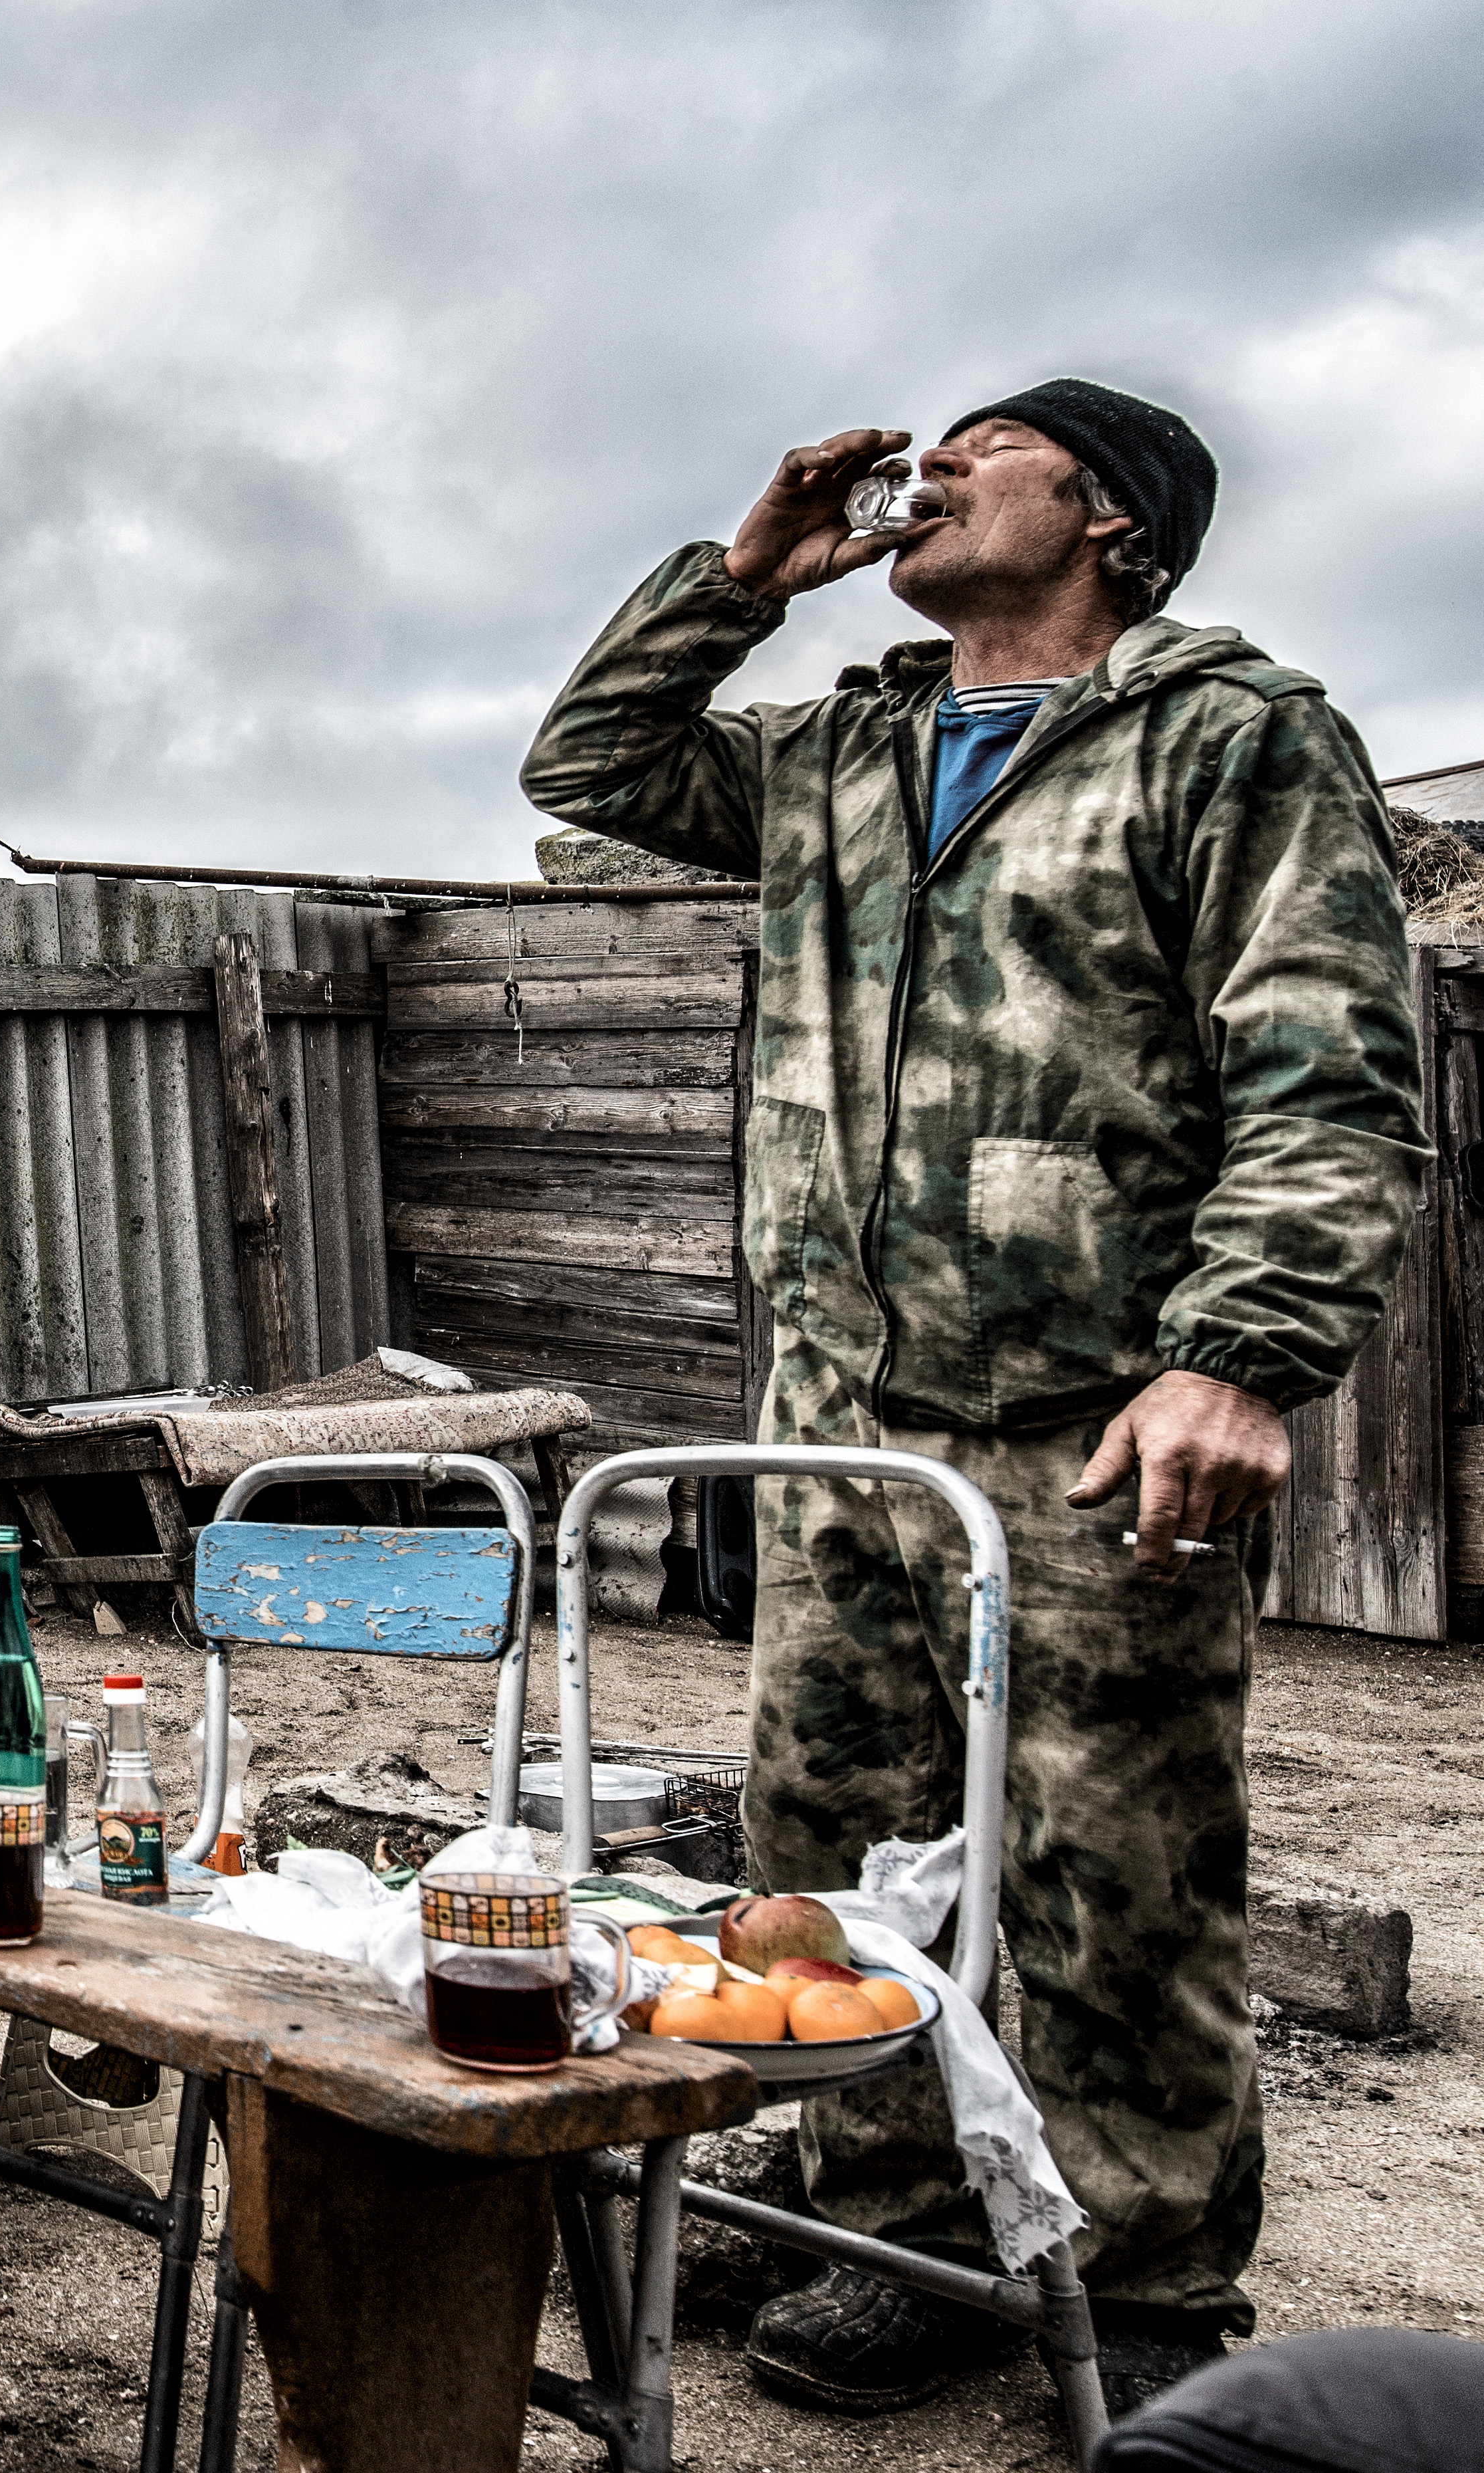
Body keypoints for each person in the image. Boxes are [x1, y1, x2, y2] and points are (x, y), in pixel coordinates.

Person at [523, 378, 1424, 2420]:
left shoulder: (1224, 737)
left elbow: (1328, 1071)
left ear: (1109, 519)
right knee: (826, 1854)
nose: (921, 472)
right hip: (834, 1418)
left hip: (1088, 1424)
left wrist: (1239, 1353)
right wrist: (734, 584)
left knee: (1112, 1866)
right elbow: (586, 762)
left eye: (978, 449)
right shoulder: (840, 750)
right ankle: (900, 2227)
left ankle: (1156, 2293)